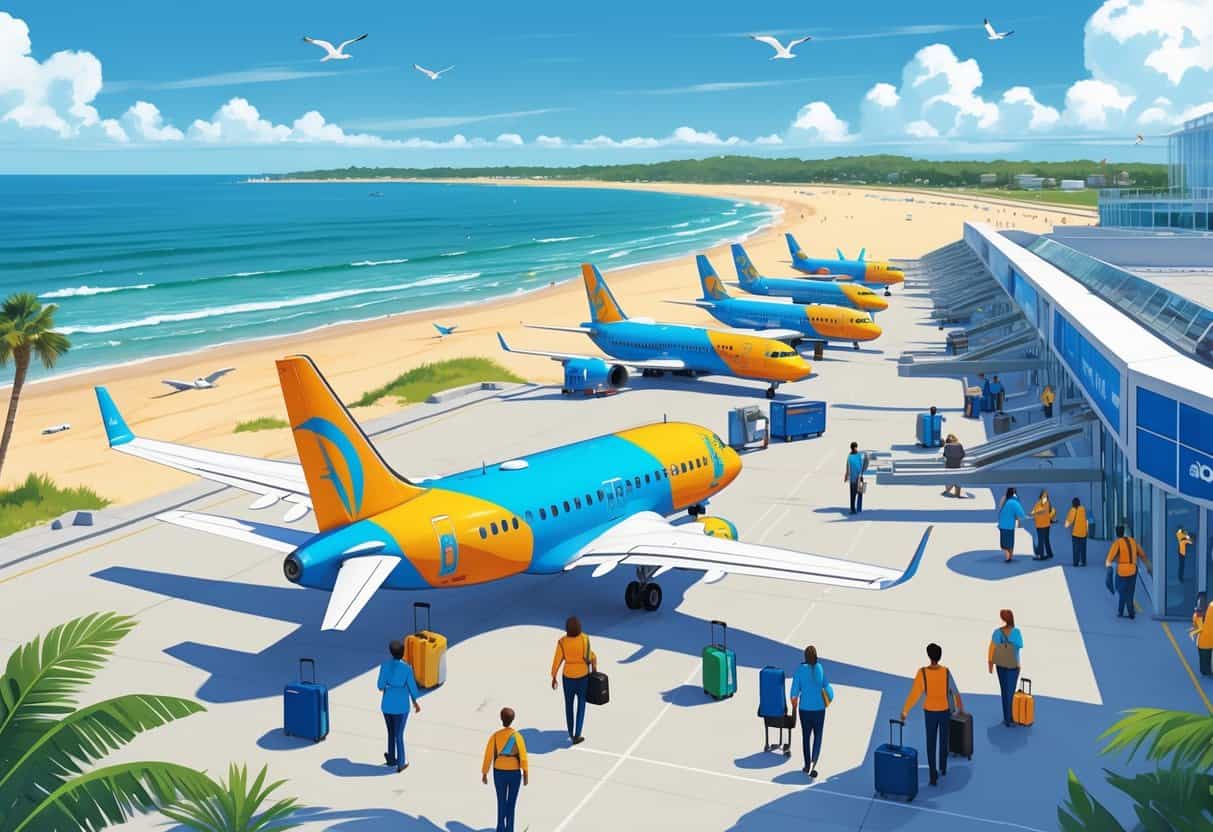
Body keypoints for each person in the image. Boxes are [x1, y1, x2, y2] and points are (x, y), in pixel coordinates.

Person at [900, 643, 963, 787]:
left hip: (930, 711)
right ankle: (943, 767)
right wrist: (960, 708)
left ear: (929, 656)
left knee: (931, 742)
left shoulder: (922, 673)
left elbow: (914, 694)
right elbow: (955, 691)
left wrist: (905, 710)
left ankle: (932, 774)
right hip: (944, 710)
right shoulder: (946, 672)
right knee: (944, 740)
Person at [551, 616, 597, 745]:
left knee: (569, 704)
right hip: (583, 677)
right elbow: (589, 657)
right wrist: (594, 665)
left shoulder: (562, 642)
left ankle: (570, 733)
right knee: (581, 704)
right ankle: (577, 734)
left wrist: (554, 676)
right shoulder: (585, 639)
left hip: (568, 677)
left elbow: (557, 661)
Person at [789, 645, 834, 779]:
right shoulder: (820, 668)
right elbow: (827, 687)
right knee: (818, 735)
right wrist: (829, 699)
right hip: (819, 709)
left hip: (805, 710)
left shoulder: (800, 670)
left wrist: (794, 703)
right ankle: (815, 761)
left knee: (806, 737)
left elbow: (794, 692)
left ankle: (807, 764)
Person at [377, 639, 421, 772]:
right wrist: (415, 702)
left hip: (387, 705)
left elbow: (380, 686)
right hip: (401, 707)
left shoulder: (384, 666)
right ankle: (401, 763)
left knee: (390, 732)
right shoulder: (407, 669)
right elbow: (413, 689)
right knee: (399, 734)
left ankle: (391, 758)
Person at [482, 707, 529, 832]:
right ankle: (509, 829)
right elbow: (523, 757)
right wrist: (525, 774)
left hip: (499, 773)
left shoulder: (495, 736)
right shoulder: (518, 737)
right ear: (513, 719)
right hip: (514, 774)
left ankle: (500, 828)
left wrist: (484, 772)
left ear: (501, 719)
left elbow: (488, 755)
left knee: (501, 801)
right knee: (511, 803)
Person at [987, 610, 1024, 727]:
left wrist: (990, 664)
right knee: (1011, 692)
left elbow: (991, 649)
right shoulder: (1017, 632)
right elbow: (1019, 647)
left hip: (1001, 666)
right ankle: (1011, 717)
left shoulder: (997, 632)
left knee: (1004, 690)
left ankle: (1006, 718)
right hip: (1013, 666)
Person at [1106, 526, 1149, 620]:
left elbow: (1109, 559)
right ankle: (1130, 612)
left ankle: (1121, 611)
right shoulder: (1133, 541)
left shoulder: (1117, 543)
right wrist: (1148, 566)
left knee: (1121, 590)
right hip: (1133, 569)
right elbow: (1142, 554)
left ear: (1117, 533)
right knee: (1130, 592)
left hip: (1122, 571)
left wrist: (1108, 566)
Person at [998, 487, 1028, 563]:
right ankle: (1009, 557)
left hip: (1002, 525)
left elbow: (1000, 509)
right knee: (1010, 542)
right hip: (1010, 526)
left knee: (1004, 543)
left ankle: (1008, 557)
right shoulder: (1015, 502)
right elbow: (1021, 514)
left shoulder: (1005, 501)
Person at [1030, 490, 1056, 561]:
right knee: (1046, 539)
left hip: (1040, 526)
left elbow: (1037, 512)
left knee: (1041, 540)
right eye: (1044, 496)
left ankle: (1041, 556)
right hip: (1046, 525)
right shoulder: (1046, 503)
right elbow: (1050, 512)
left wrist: (1033, 513)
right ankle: (1049, 554)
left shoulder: (1041, 504)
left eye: (1045, 496)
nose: (1045, 497)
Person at [843, 441, 868, 515]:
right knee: (855, 493)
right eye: (854, 447)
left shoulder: (853, 455)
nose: (854, 449)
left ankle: (856, 508)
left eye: (854, 447)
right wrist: (846, 475)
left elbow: (848, 466)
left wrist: (847, 475)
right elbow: (848, 466)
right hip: (856, 477)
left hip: (857, 477)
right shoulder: (855, 455)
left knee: (857, 493)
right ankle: (855, 508)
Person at [1192, 594, 1213, 677]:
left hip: (1207, 643)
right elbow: (1195, 627)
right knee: (1204, 670)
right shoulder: (1196, 616)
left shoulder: (1211, 608)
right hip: (1203, 644)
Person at [1064, 497, 1089, 566]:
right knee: (1083, 549)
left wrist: (1066, 525)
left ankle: (1076, 563)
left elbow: (1070, 520)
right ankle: (1083, 562)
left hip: (1076, 533)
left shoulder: (1073, 510)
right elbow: (1086, 520)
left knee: (1076, 549)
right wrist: (1087, 530)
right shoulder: (1083, 509)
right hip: (1083, 533)